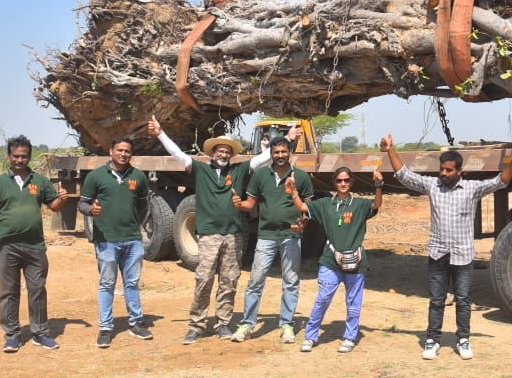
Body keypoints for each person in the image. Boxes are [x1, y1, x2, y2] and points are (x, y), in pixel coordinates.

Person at [147, 116, 293, 343]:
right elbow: (178, 154)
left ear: (231, 155)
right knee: (204, 279)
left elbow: (264, 158)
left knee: (229, 280)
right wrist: (160, 134)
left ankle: (223, 323)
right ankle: (196, 325)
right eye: (220, 151)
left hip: (233, 235)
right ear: (213, 153)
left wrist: (288, 139)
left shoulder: (239, 171)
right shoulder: (200, 170)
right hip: (208, 235)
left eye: (227, 152)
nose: (223, 154)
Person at [380, 134, 512, 360]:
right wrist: (390, 150)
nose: (444, 173)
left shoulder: (472, 189)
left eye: (449, 170)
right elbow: (404, 175)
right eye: (442, 169)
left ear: (459, 171)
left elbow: (500, 182)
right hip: (438, 254)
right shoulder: (432, 186)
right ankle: (432, 340)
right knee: (437, 300)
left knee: (463, 300)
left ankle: (463, 339)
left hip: (462, 256)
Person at [0, 135, 68, 353]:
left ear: (29, 157)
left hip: (35, 246)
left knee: (37, 289)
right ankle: (12, 335)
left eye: (24, 156)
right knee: (9, 292)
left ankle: (40, 333)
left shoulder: (39, 181)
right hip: (6, 246)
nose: (19, 160)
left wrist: (62, 199)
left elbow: (53, 206)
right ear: (9, 156)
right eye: (16, 156)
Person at [230, 136, 314, 344]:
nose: (280, 155)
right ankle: (247, 323)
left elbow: (308, 209)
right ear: (271, 153)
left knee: (291, 282)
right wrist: (238, 204)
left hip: (291, 236)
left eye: (284, 151)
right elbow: (250, 204)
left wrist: (303, 223)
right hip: (266, 235)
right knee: (255, 281)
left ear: (290, 152)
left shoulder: (301, 177)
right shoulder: (260, 175)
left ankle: (287, 324)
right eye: (276, 152)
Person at [291, 166, 383, 353]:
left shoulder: (359, 204)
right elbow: (303, 207)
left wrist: (378, 185)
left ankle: (349, 337)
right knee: (323, 299)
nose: (343, 183)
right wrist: (293, 191)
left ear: (352, 182)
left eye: (346, 180)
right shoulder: (325, 204)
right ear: (334, 182)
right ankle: (310, 336)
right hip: (330, 260)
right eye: (339, 180)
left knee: (353, 303)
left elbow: (376, 205)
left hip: (355, 262)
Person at [78, 138, 152, 348]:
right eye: (119, 150)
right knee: (107, 284)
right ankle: (106, 328)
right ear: (111, 151)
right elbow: (82, 203)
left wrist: (134, 225)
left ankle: (136, 323)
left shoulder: (138, 176)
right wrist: (90, 210)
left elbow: (143, 206)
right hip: (106, 240)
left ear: (131, 154)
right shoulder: (96, 176)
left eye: (127, 151)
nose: (123, 154)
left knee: (132, 283)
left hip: (132, 240)